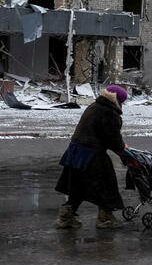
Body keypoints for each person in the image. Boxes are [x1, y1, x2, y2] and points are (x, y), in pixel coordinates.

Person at [55, 84, 129, 229]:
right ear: (117, 100)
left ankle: (66, 216)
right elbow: (113, 139)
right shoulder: (109, 112)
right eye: (122, 102)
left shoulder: (95, 106)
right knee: (106, 185)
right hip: (92, 155)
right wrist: (124, 151)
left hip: (76, 153)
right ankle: (105, 218)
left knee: (78, 186)